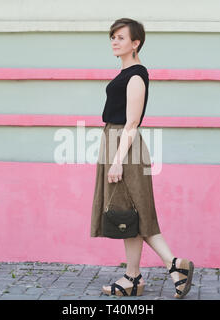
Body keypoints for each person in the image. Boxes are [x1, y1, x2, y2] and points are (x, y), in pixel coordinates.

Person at [90, 18, 195, 298]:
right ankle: (133, 278)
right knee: (128, 214)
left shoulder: (136, 75)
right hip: (115, 143)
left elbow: (132, 122)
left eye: (121, 37)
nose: (114, 41)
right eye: (112, 36)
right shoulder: (126, 73)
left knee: (133, 211)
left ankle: (174, 265)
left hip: (124, 147)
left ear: (136, 43)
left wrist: (116, 160)